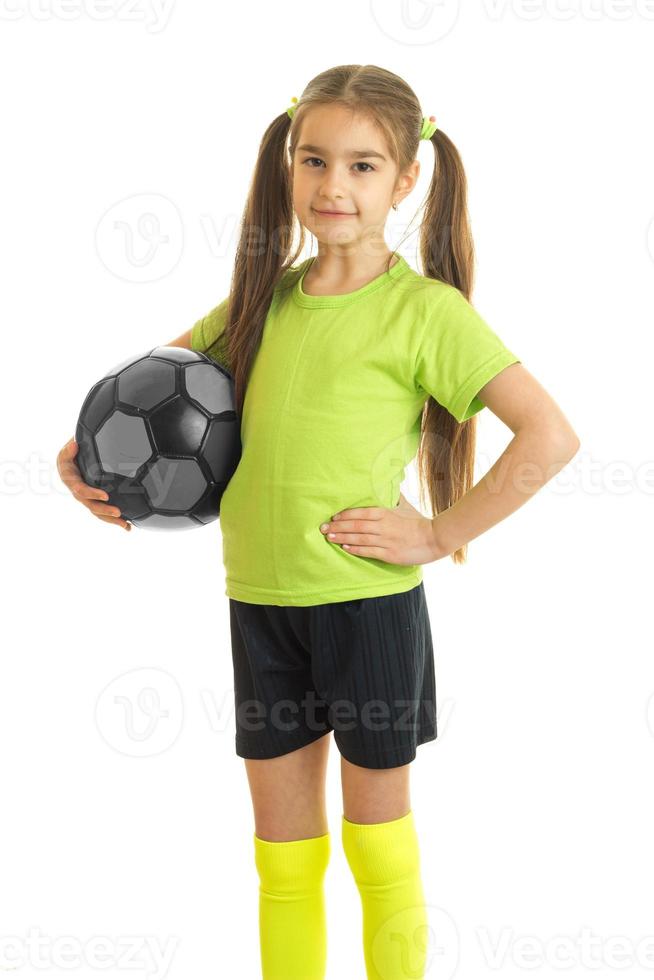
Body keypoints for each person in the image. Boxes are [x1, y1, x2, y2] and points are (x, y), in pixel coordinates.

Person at [57, 64, 580, 980]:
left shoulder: (427, 313)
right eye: (314, 161)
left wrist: (438, 532)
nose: (334, 186)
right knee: (283, 861)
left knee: (376, 846)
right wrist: (85, 457)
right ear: (288, 166)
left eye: (364, 166)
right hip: (260, 604)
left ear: (408, 179)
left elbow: (551, 434)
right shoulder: (262, 302)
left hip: (366, 609)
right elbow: (148, 388)